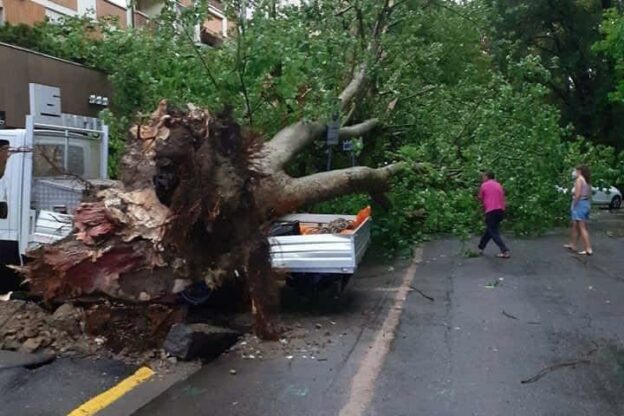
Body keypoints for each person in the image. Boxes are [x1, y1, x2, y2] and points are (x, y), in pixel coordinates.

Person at [478, 171, 510, 259]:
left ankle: (505, 250)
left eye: (483, 177)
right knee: (490, 230)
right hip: (501, 211)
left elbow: (480, 198)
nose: (482, 178)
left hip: (491, 210)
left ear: (487, 177)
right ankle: (481, 247)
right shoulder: (498, 185)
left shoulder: (484, 185)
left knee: (493, 231)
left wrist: (481, 208)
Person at [564, 165, 593, 255]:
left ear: (579, 171)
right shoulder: (586, 181)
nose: (574, 172)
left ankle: (588, 248)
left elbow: (577, 194)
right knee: (575, 226)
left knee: (581, 227)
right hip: (585, 203)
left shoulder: (579, 180)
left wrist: (574, 205)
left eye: (575, 170)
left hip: (579, 204)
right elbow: (588, 194)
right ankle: (572, 244)